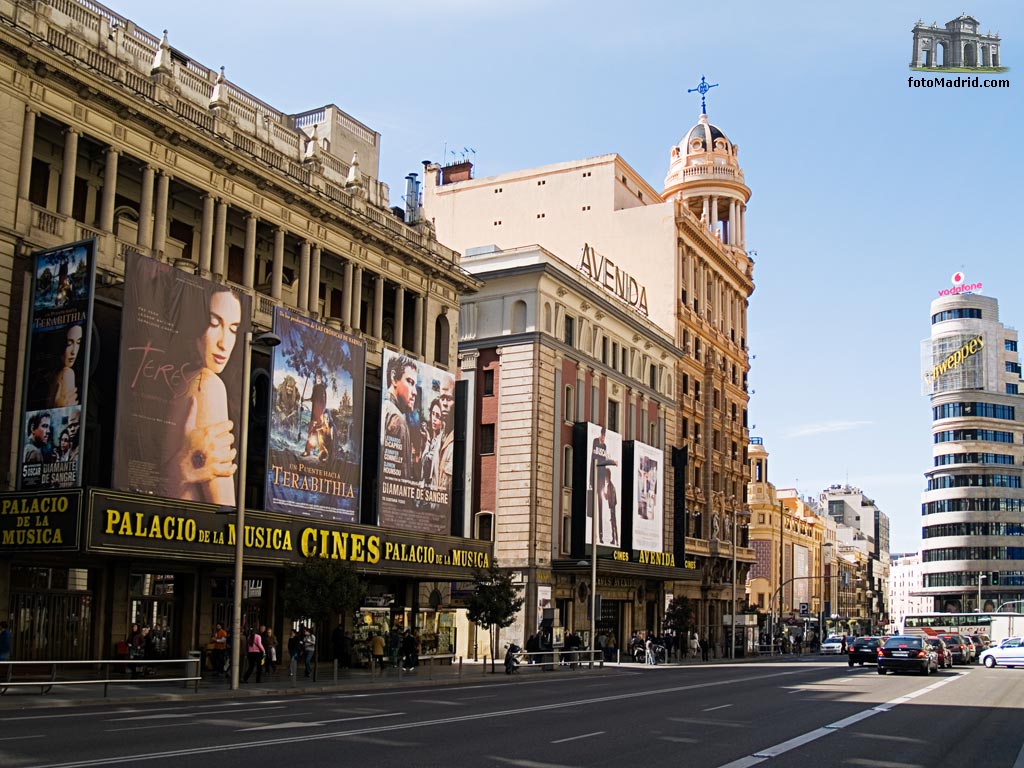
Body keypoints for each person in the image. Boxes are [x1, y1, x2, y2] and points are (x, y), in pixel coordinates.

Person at [165, 286, 243, 505]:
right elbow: (223, 507)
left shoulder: (180, 382)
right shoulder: (208, 385)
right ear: (197, 324)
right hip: (195, 531)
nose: (224, 342)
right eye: (214, 323)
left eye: (233, 329)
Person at [382, 354, 418, 480]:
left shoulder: (385, 408)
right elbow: (399, 477)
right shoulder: (398, 420)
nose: (415, 392)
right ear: (394, 378)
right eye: (410, 382)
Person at [431, 375, 456, 492]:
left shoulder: (459, 440)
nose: (445, 403)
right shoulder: (438, 440)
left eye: (449, 399)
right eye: (442, 398)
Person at [50, 323, 83, 407]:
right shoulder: (67, 373)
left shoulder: (55, 374)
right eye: (69, 343)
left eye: (78, 342)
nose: (74, 351)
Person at [302, 371, 328, 458]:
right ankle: (308, 450)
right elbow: (312, 398)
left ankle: (320, 452)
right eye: (317, 378)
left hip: (319, 412)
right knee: (311, 431)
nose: (318, 380)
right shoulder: (315, 387)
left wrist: (321, 413)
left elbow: (324, 402)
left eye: (320, 378)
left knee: (319, 432)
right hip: (313, 413)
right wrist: (304, 400)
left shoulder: (322, 388)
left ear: (322, 379)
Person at [603, 466, 619, 547]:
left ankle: (616, 540)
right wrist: (604, 493)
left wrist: (612, 509)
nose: (605, 479)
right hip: (612, 508)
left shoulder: (611, 486)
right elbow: (608, 498)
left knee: (614, 524)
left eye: (605, 477)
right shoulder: (609, 486)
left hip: (612, 508)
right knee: (613, 524)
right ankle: (615, 540)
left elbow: (613, 498)